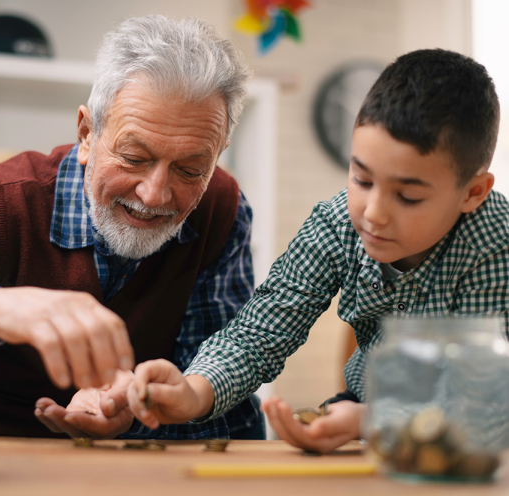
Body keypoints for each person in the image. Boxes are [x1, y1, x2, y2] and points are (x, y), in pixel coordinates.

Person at [0, 16, 265, 440]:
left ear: (218, 154)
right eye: (134, 157)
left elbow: (225, 406)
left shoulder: (222, 210)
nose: (155, 194)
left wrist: (137, 414)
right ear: (87, 133)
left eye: (190, 169)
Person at [127, 49, 507, 452]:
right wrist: (194, 391)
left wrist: (372, 421)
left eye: (408, 196)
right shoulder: (336, 222)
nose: (373, 214)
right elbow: (261, 331)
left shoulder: (493, 240)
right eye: (361, 179)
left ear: (473, 193)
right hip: (368, 405)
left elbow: (480, 402)